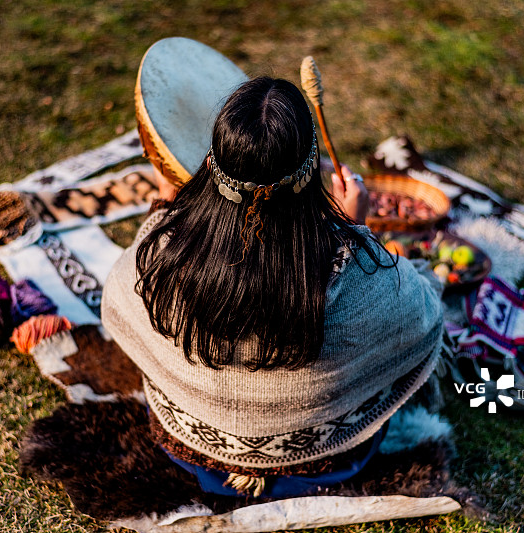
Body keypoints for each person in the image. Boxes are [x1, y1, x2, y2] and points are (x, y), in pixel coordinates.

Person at [102, 76, 443, 499]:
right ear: (313, 172)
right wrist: (356, 230)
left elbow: (117, 303)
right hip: (327, 461)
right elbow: (424, 319)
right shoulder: (361, 276)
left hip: (189, 449)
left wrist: (170, 208)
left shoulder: (161, 252)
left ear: (210, 165)